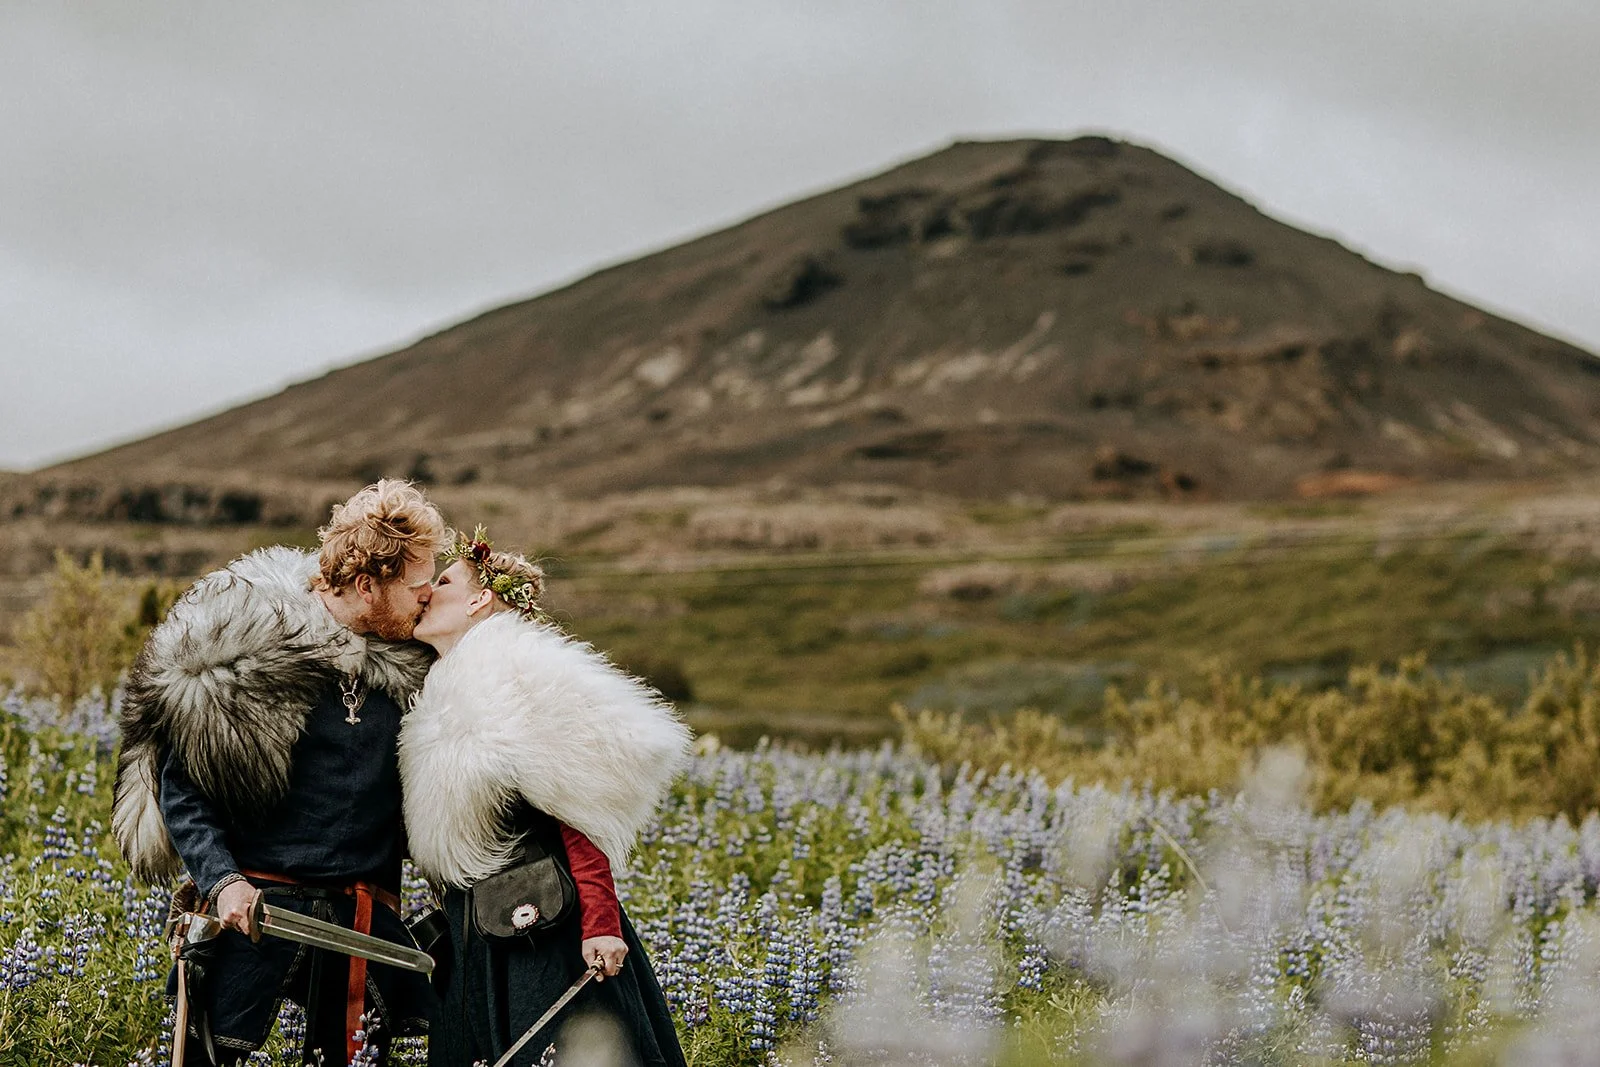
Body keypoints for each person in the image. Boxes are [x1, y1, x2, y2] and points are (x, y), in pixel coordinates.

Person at [112, 479, 450, 1066]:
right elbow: (184, 790)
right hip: (254, 916)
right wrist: (222, 882)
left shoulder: (415, 670)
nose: (428, 596)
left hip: (358, 928)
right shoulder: (252, 656)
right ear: (366, 584)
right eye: (417, 585)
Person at [401, 527, 692, 1067]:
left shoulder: (520, 673)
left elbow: (582, 804)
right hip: (475, 923)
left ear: (479, 600)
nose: (426, 592)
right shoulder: (443, 682)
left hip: (542, 921)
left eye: (444, 582)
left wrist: (600, 922)